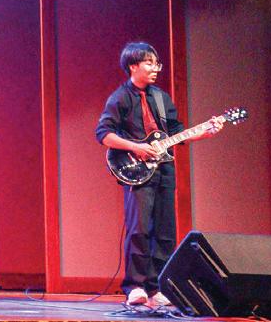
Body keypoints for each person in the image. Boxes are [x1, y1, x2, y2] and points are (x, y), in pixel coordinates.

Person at [95, 42, 222, 307]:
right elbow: (104, 134)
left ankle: (157, 287)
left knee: (165, 232)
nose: (155, 68)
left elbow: (177, 133)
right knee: (139, 230)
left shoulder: (162, 98)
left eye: (157, 64)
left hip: (164, 170)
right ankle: (135, 286)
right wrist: (135, 147)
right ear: (133, 66)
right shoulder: (120, 98)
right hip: (136, 170)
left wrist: (205, 132)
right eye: (149, 63)